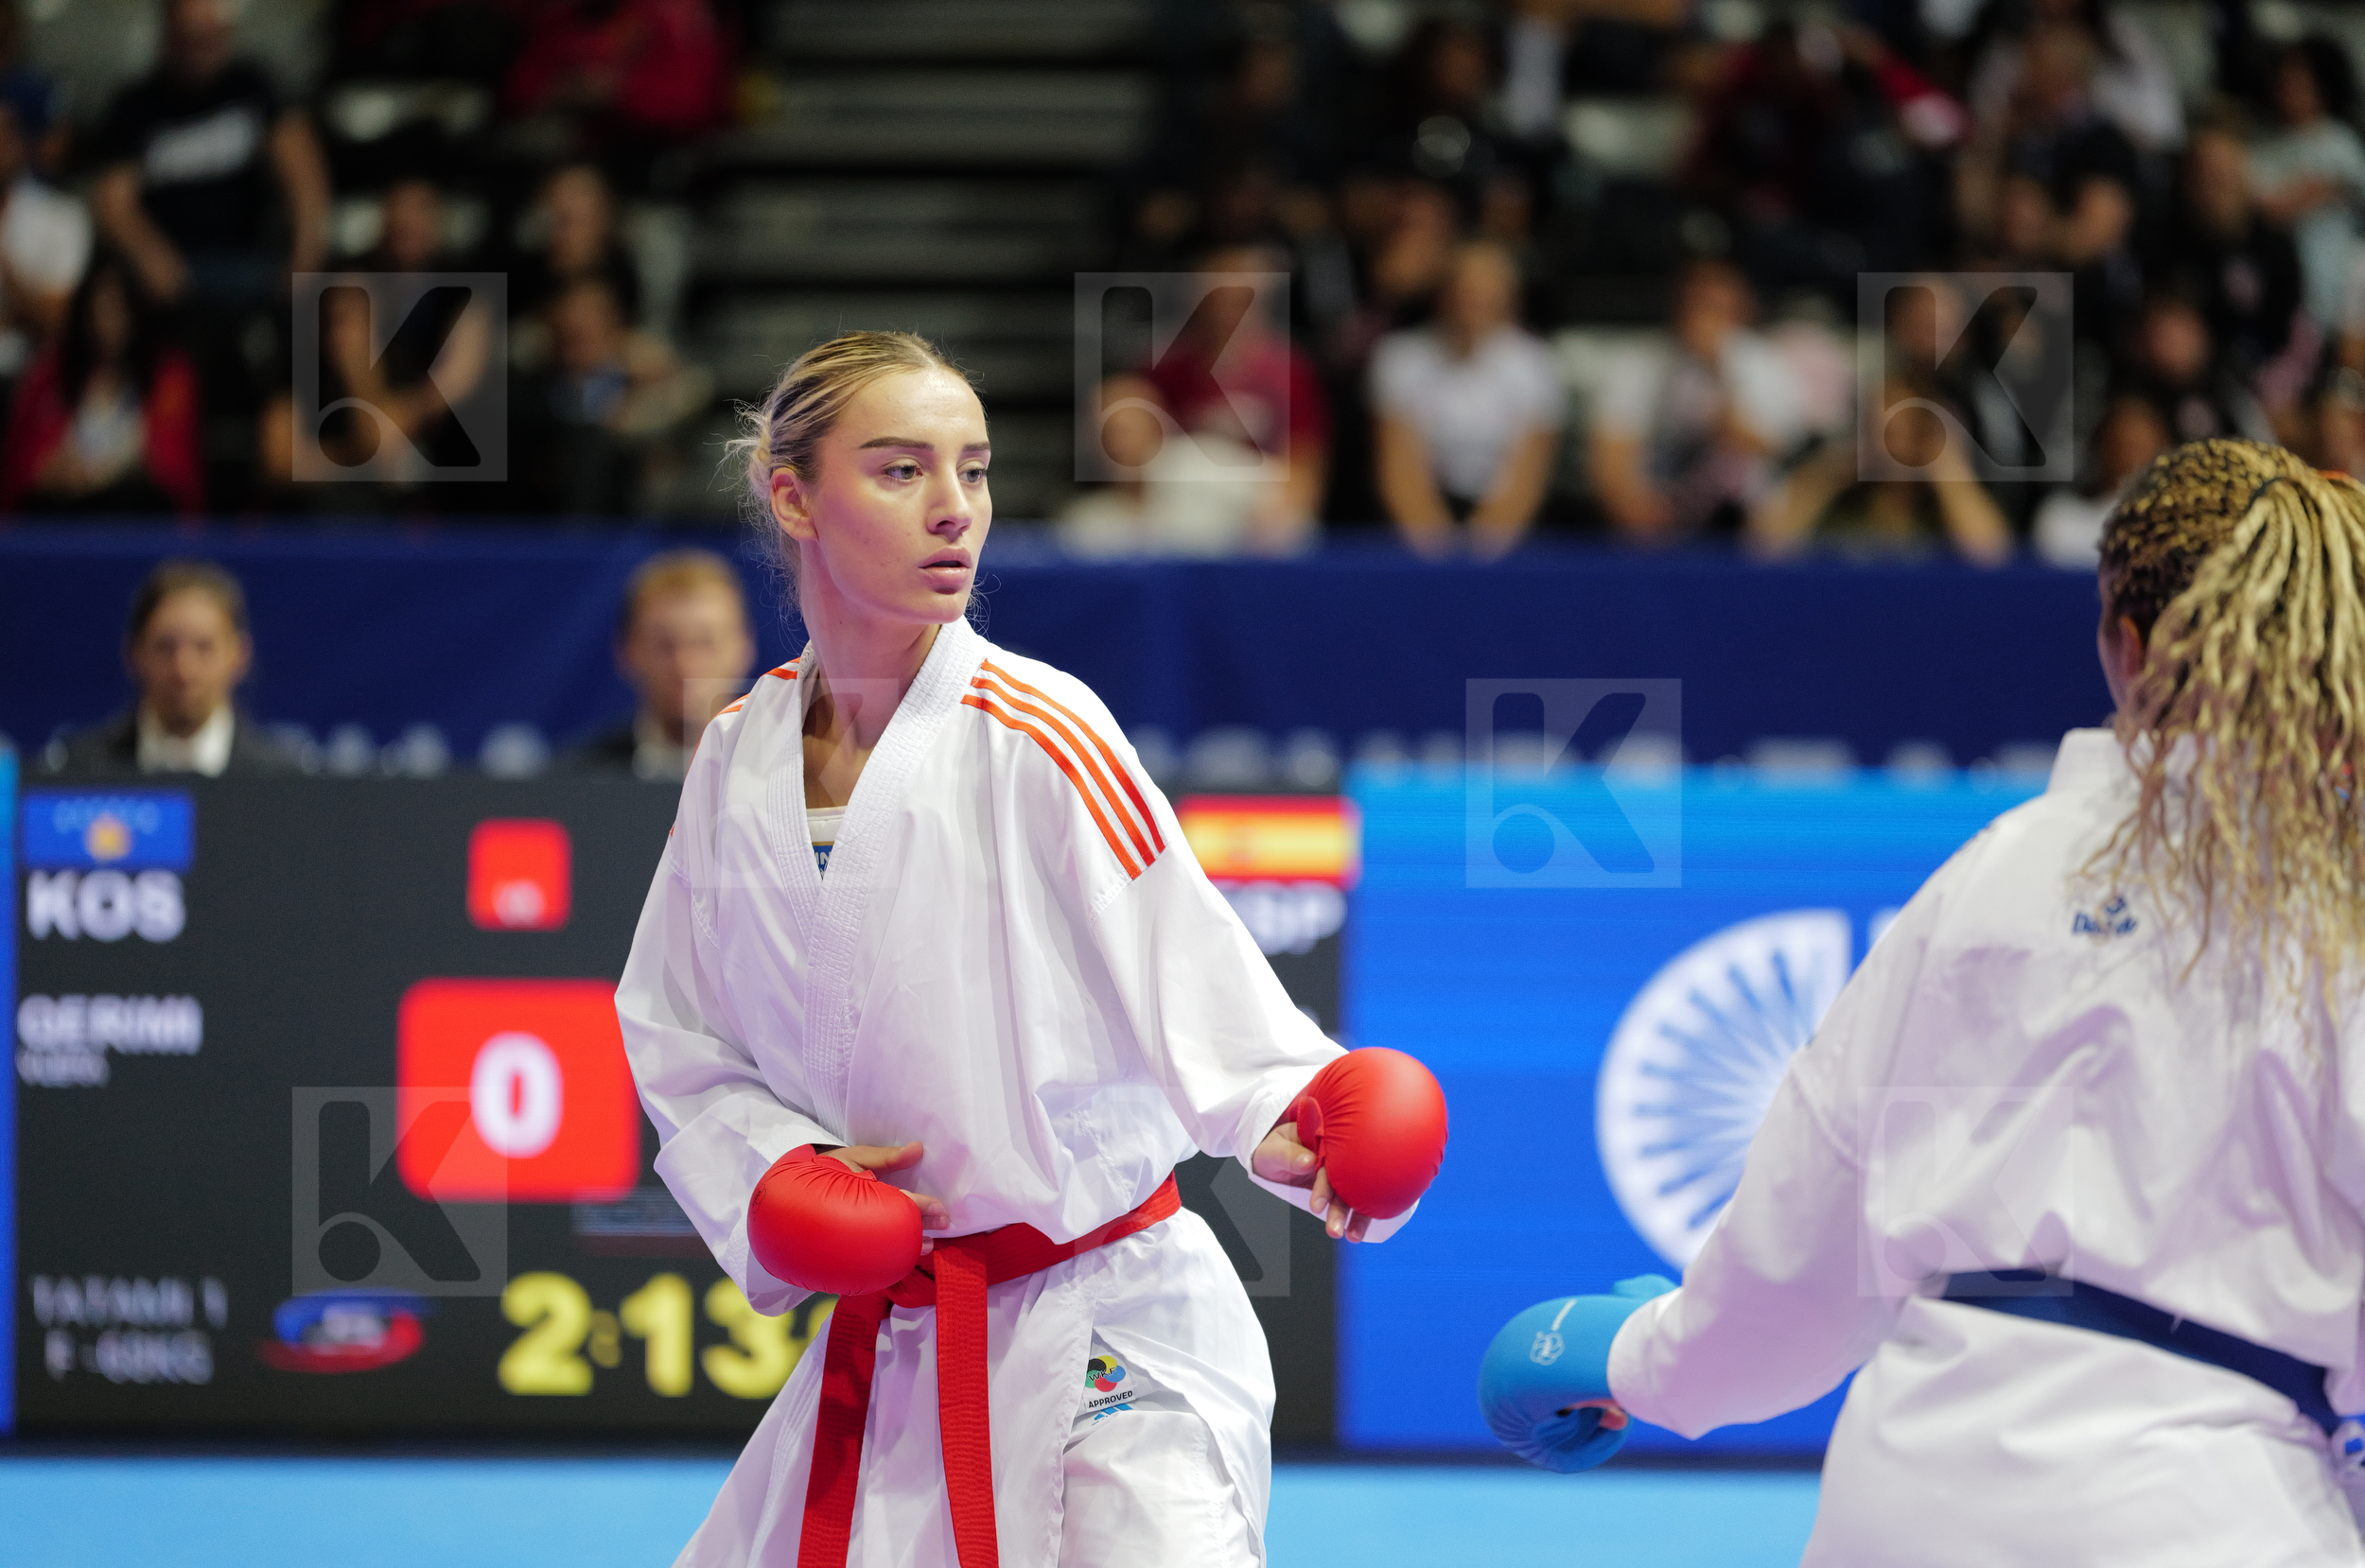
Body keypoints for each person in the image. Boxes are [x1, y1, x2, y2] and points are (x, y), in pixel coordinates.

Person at [613, 330, 1445, 1566]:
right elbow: (678, 1032)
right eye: (901, 471)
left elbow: (1197, 980)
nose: (956, 510)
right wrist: (775, 1168)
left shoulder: (1041, 730)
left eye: (977, 469)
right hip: (896, 1338)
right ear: (794, 496)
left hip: (1109, 1326)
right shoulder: (736, 753)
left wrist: (1298, 1105)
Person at [1481, 436, 2365, 1561]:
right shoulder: (2340, 906)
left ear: (2122, 648)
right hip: (2211, 1502)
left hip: (1907, 1493)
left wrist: (1629, 1356)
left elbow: (1798, 1256)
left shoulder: (1991, 875)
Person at [1588, 258, 1805, 544]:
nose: (1703, 319)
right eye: (1696, 305)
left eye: (1716, 308)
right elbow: (1611, 458)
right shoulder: (1639, 365)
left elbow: (1770, 453)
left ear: (1741, 311)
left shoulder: (1766, 366)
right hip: (1658, 521)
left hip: (1747, 524)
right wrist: (1639, 517)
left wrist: (1716, 371)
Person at [1370, 239, 1563, 558]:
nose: (1475, 304)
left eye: (1487, 295)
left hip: (1504, 528)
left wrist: (1480, 555)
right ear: (1444, 295)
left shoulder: (1535, 365)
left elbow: (1527, 476)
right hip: (1421, 525)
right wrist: (1438, 554)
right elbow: (1400, 470)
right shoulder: (1399, 358)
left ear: (1507, 299)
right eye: (1466, 293)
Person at [42, 558, 301, 777]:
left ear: (240, 656)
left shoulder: (282, 778)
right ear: (134, 653)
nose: (184, 671)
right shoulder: (80, 770)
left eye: (204, 648)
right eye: (165, 647)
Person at [0, 252, 202, 515]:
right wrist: (48, 472)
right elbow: (18, 468)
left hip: (135, 516)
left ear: (135, 311)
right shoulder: (50, 374)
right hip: (64, 515)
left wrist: (130, 470)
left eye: (116, 311)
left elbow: (178, 472)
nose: (106, 324)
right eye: (97, 311)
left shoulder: (169, 376)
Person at [564, 548, 755, 778]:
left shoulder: (788, 778)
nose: (685, 664)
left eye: (705, 643)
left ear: (743, 648)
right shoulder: (574, 784)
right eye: (665, 644)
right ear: (628, 651)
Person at [2251, 37, 2365, 337]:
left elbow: (2283, 206)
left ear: (2323, 87)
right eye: (2282, 78)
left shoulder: (2339, 142)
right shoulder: (2262, 147)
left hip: (2330, 297)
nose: (2285, 86)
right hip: (2273, 292)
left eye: (2298, 80)